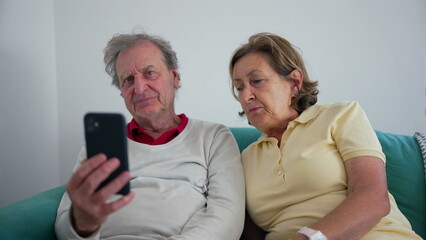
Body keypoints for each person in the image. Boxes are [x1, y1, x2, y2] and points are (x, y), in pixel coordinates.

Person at [229, 32, 421, 240]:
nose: (246, 96)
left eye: (256, 81)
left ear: (294, 82)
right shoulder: (245, 158)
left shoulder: (340, 116)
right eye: (239, 87)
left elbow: (373, 198)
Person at [55, 32, 245, 240]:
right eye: (128, 79)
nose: (139, 88)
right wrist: (83, 223)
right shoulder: (100, 147)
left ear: (174, 78)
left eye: (149, 73)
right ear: (121, 92)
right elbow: (65, 226)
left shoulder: (213, 137)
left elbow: (228, 217)